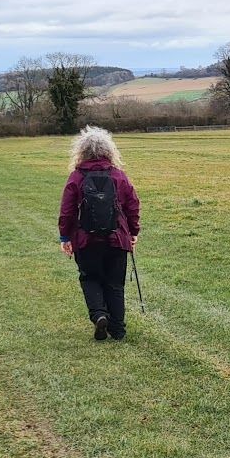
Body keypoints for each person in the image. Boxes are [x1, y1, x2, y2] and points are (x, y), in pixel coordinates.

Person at [57, 126, 141, 341]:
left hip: (86, 240)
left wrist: (65, 237)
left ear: (81, 151)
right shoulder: (119, 176)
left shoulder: (76, 177)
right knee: (115, 284)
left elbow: (67, 211)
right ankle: (118, 329)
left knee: (90, 278)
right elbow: (133, 204)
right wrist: (133, 232)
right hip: (117, 238)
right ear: (108, 150)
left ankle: (99, 315)